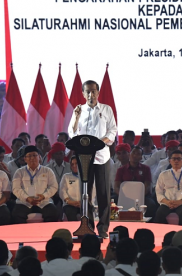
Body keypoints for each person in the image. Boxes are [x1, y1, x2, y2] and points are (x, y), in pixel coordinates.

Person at [68, 80, 117, 238]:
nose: (91, 94)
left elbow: (113, 130)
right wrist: (76, 118)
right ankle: (87, 227)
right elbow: (72, 133)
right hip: (84, 158)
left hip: (101, 156)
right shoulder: (78, 110)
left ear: (98, 92)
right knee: (85, 194)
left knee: (103, 194)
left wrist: (100, 142)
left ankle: (103, 230)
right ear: (83, 94)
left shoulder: (106, 109)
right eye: (87, 92)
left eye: (94, 91)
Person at [11, 145, 59, 223]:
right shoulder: (19, 172)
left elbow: (54, 187)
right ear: (25, 159)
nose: (32, 158)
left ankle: (46, 234)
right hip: (25, 202)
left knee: (53, 213)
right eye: (29, 156)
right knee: (16, 214)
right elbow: (16, 189)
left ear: (39, 157)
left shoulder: (47, 171)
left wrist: (44, 196)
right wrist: (27, 198)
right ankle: (24, 234)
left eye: (34, 155)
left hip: (43, 202)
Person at [155, 150, 182, 226]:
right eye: (174, 159)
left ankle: (180, 236)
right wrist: (167, 202)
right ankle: (166, 233)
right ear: (170, 161)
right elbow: (158, 192)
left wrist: (180, 201)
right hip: (167, 202)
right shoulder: (163, 174)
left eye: (179, 159)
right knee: (159, 214)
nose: (176, 161)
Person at [114, 146, 157, 218]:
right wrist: (123, 197)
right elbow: (116, 187)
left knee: (151, 204)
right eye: (133, 153)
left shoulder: (146, 169)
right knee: (110, 202)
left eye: (138, 154)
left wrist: (138, 197)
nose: (135, 155)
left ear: (141, 157)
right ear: (129, 155)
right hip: (124, 196)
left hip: (142, 196)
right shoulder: (121, 170)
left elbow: (148, 186)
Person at [46, 142, 71, 208]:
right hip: (53, 195)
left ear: (64, 154)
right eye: (56, 154)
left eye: (61, 153)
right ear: (53, 155)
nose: (59, 156)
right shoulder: (48, 168)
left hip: (67, 194)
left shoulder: (70, 167)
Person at [60, 156, 81, 221]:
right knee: (70, 212)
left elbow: (93, 190)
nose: (74, 166)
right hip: (69, 204)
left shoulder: (88, 176)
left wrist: (83, 202)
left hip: (85, 203)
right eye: (72, 164)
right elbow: (62, 191)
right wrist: (70, 201)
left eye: (76, 163)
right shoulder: (66, 176)